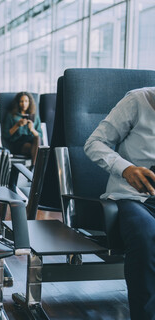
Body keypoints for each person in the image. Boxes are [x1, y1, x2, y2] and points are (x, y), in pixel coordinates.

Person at [84, 87, 155, 320]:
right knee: (146, 236)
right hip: (134, 198)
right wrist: (126, 169)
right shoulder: (138, 101)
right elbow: (94, 143)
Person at [2, 92, 42, 166]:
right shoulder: (11, 116)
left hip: (32, 142)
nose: (24, 104)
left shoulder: (35, 117)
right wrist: (17, 125)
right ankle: (34, 169)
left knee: (37, 140)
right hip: (18, 143)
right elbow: (5, 135)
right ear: (18, 103)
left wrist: (32, 129)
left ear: (29, 102)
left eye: (26, 101)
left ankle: (33, 167)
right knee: (36, 150)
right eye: (21, 101)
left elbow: (40, 135)